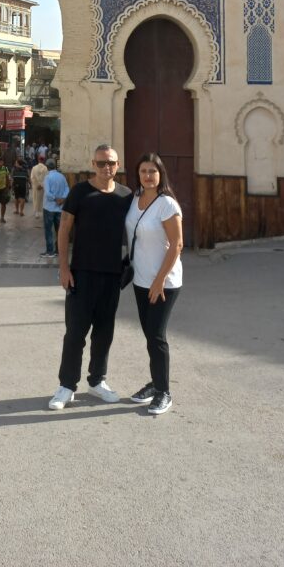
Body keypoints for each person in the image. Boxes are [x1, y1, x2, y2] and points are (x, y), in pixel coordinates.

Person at [48, 144, 132, 410]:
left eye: (112, 163)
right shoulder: (80, 192)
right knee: (75, 332)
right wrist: (63, 267)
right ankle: (66, 386)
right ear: (93, 165)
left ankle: (97, 381)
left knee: (104, 332)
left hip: (112, 275)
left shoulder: (126, 196)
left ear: (118, 165)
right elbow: (64, 229)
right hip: (81, 273)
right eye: (101, 163)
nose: (107, 168)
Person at [126, 153, 183, 416]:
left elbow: (177, 245)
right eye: (143, 171)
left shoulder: (167, 204)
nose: (147, 176)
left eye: (153, 171)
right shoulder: (134, 199)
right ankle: (155, 382)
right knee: (150, 336)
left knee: (157, 336)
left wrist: (159, 280)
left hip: (164, 282)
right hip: (140, 279)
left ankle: (164, 392)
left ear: (161, 174)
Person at [41, 158, 69, 258]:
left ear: (47, 167)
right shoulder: (62, 176)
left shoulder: (47, 177)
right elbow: (67, 189)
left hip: (49, 208)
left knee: (48, 230)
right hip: (60, 208)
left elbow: (48, 193)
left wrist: (55, 198)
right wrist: (62, 199)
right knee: (59, 230)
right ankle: (58, 251)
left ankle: (50, 251)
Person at [30, 154, 48, 220]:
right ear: (43, 160)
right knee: (43, 199)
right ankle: (44, 213)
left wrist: (36, 185)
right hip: (43, 187)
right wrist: (42, 185)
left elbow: (32, 178)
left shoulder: (34, 168)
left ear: (38, 160)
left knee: (36, 198)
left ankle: (36, 213)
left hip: (36, 186)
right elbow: (47, 178)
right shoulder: (45, 168)